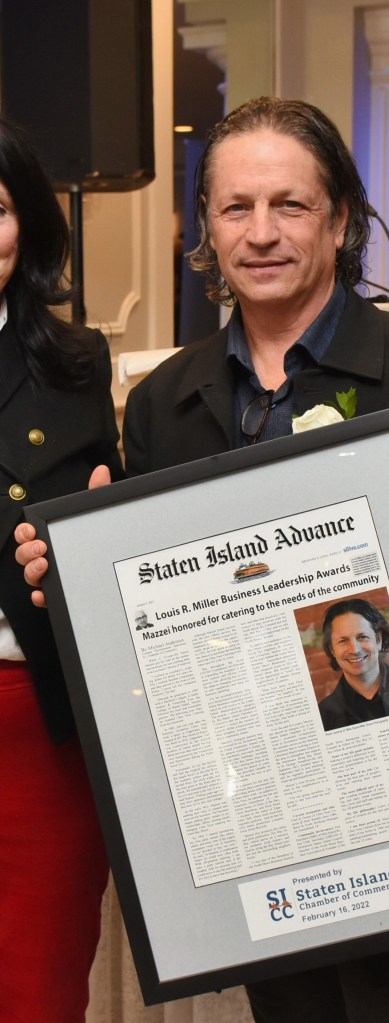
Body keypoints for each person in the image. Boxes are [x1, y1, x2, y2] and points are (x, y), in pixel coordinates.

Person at [17, 97, 389, 1023]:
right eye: (235, 208)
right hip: (265, 832)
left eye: (290, 204)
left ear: (341, 220)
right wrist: (79, 583)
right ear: (206, 226)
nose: (262, 233)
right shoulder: (164, 403)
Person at [0, 116, 124, 1020]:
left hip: (36, 722)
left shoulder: (77, 363)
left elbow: (114, 521)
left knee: (37, 987)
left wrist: (88, 551)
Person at [317, 597, 389, 730]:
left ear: (379, 640)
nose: (355, 650)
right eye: (343, 641)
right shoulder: (323, 717)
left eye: (362, 637)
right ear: (332, 649)